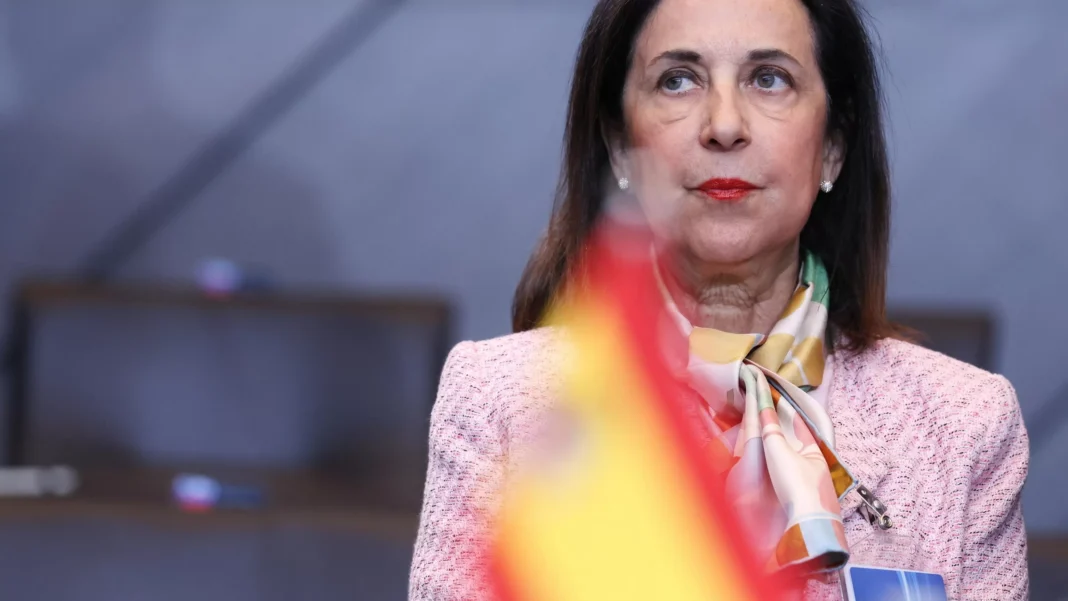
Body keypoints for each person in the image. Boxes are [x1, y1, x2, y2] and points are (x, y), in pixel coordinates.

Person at [409, 0, 1030, 599]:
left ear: (833, 146)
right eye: (678, 80)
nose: (725, 124)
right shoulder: (496, 402)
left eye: (769, 79)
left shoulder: (967, 428)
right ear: (621, 147)